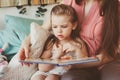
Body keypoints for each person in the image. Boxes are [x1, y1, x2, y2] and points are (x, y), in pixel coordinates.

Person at [18, 0, 120, 80]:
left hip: (103, 61)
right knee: (69, 78)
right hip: (75, 63)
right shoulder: (69, 2)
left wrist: (75, 65)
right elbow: (44, 28)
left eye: (63, 26)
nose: (59, 30)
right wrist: (26, 42)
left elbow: (110, 54)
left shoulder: (115, 8)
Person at [30, 4, 88, 80]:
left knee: (51, 78)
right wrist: (57, 56)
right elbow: (42, 68)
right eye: (55, 27)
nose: (59, 31)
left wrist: (77, 50)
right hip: (46, 71)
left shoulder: (78, 43)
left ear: (74, 25)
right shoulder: (51, 42)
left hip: (59, 73)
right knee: (37, 78)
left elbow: (85, 62)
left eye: (63, 26)